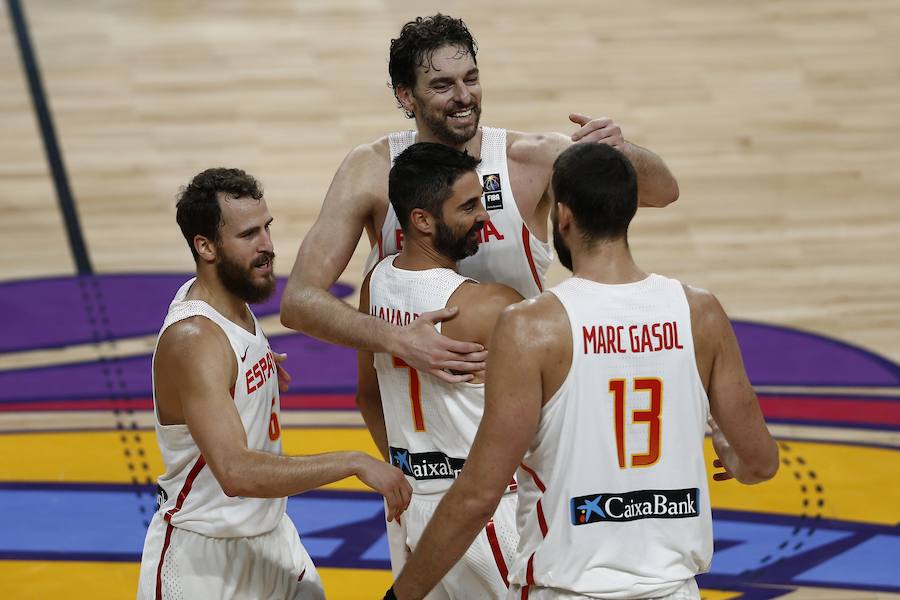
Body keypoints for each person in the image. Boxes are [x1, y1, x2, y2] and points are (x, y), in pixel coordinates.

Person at [385, 143, 780, 600]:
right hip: (672, 589)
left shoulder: (531, 327)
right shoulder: (701, 313)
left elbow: (478, 495)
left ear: (565, 217)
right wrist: (730, 450)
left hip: (568, 589)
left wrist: (402, 595)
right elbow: (759, 463)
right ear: (627, 210)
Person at [280, 13, 680, 383]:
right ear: (406, 96)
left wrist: (623, 150)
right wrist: (398, 338)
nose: (463, 96)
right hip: (422, 427)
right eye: (442, 85)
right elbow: (299, 301)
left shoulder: (530, 159)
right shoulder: (370, 169)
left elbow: (663, 192)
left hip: (521, 399)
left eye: (470, 79)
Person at [135, 168, 411, 600]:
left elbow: (226, 365)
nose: (267, 246)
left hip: (273, 540)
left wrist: (253, 373)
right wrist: (354, 462)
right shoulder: (194, 340)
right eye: (248, 235)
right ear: (205, 246)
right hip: (206, 565)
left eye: (266, 228)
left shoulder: (231, 305)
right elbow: (236, 472)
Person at [357, 143, 524, 598]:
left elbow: (367, 398)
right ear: (422, 220)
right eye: (468, 206)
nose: (485, 218)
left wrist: (408, 470)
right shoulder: (490, 305)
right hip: (488, 514)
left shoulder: (376, 283)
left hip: (414, 509)